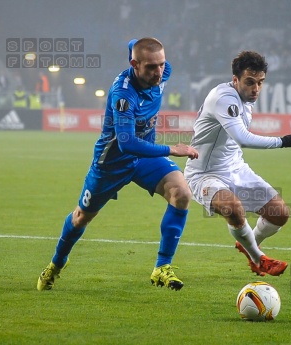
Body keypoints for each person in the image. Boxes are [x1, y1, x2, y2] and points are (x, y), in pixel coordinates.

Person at [37, 38, 198, 291]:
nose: (159, 72)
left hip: (144, 160)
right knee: (81, 218)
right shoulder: (123, 94)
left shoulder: (163, 71)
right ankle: (56, 264)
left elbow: (135, 43)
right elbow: (127, 144)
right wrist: (171, 149)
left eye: (161, 65)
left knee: (181, 194)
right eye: (151, 67)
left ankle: (162, 267)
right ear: (134, 64)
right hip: (111, 163)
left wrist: (139, 44)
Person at [184, 51, 291, 277]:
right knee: (232, 208)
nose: (256, 89)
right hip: (205, 173)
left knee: (279, 213)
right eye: (250, 82)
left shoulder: (246, 102)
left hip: (236, 168)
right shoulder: (224, 98)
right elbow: (243, 137)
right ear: (235, 80)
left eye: (260, 83)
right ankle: (258, 258)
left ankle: (248, 242)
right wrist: (283, 141)